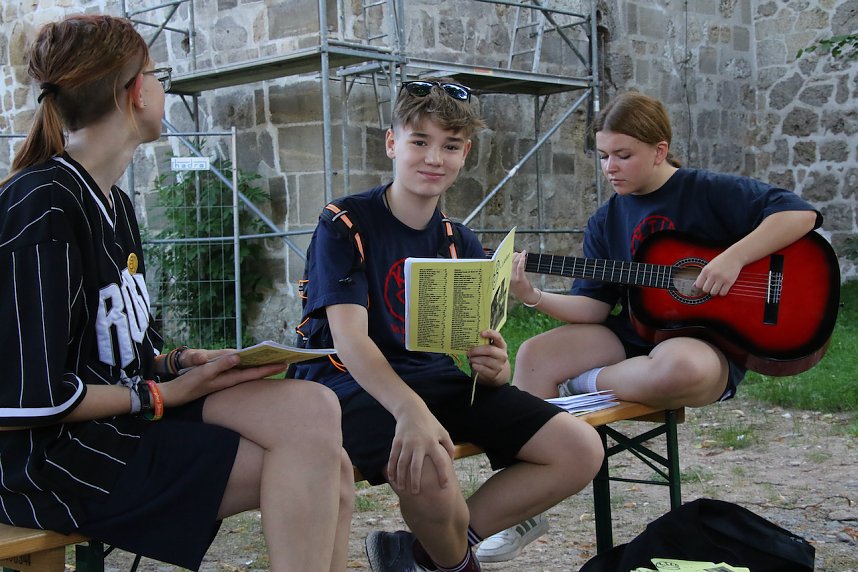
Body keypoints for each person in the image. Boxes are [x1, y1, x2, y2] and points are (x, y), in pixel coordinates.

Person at [0, 14, 353, 572]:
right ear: (135, 93)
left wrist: (181, 363)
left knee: (315, 408)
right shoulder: (41, 205)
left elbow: (119, 353)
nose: (161, 88)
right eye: (157, 76)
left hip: (119, 421)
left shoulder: (113, 201)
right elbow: (28, 399)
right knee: (320, 465)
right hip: (53, 463)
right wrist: (161, 395)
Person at [477, 90, 822, 561]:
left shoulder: (707, 190)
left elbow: (799, 214)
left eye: (623, 155)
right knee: (537, 353)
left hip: (703, 343)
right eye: (603, 156)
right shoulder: (606, 220)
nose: (610, 167)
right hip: (637, 335)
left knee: (681, 368)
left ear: (660, 150)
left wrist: (733, 258)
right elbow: (594, 308)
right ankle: (521, 510)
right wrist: (533, 295)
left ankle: (585, 384)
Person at [293, 78, 604, 572]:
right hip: (348, 384)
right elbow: (350, 340)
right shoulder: (345, 222)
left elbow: (477, 349)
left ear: (465, 154)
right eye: (420, 141)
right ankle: (455, 563)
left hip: (434, 379)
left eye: (451, 146)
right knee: (429, 463)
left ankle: (422, 554)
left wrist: (496, 367)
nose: (434, 158)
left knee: (580, 448)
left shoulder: (460, 241)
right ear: (392, 143)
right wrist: (410, 411)